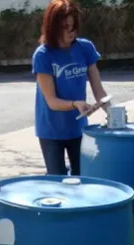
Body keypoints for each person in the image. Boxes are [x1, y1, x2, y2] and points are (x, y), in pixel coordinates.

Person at [32, 0, 110, 176]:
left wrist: (114, 115)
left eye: (73, 27)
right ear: (52, 27)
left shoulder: (85, 48)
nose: (70, 32)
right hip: (51, 131)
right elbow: (52, 102)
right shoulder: (42, 55)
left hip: (79, 129)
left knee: (83, 177)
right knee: (58, 181)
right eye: (65, 27)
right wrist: (76, 104)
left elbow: (99, 91)